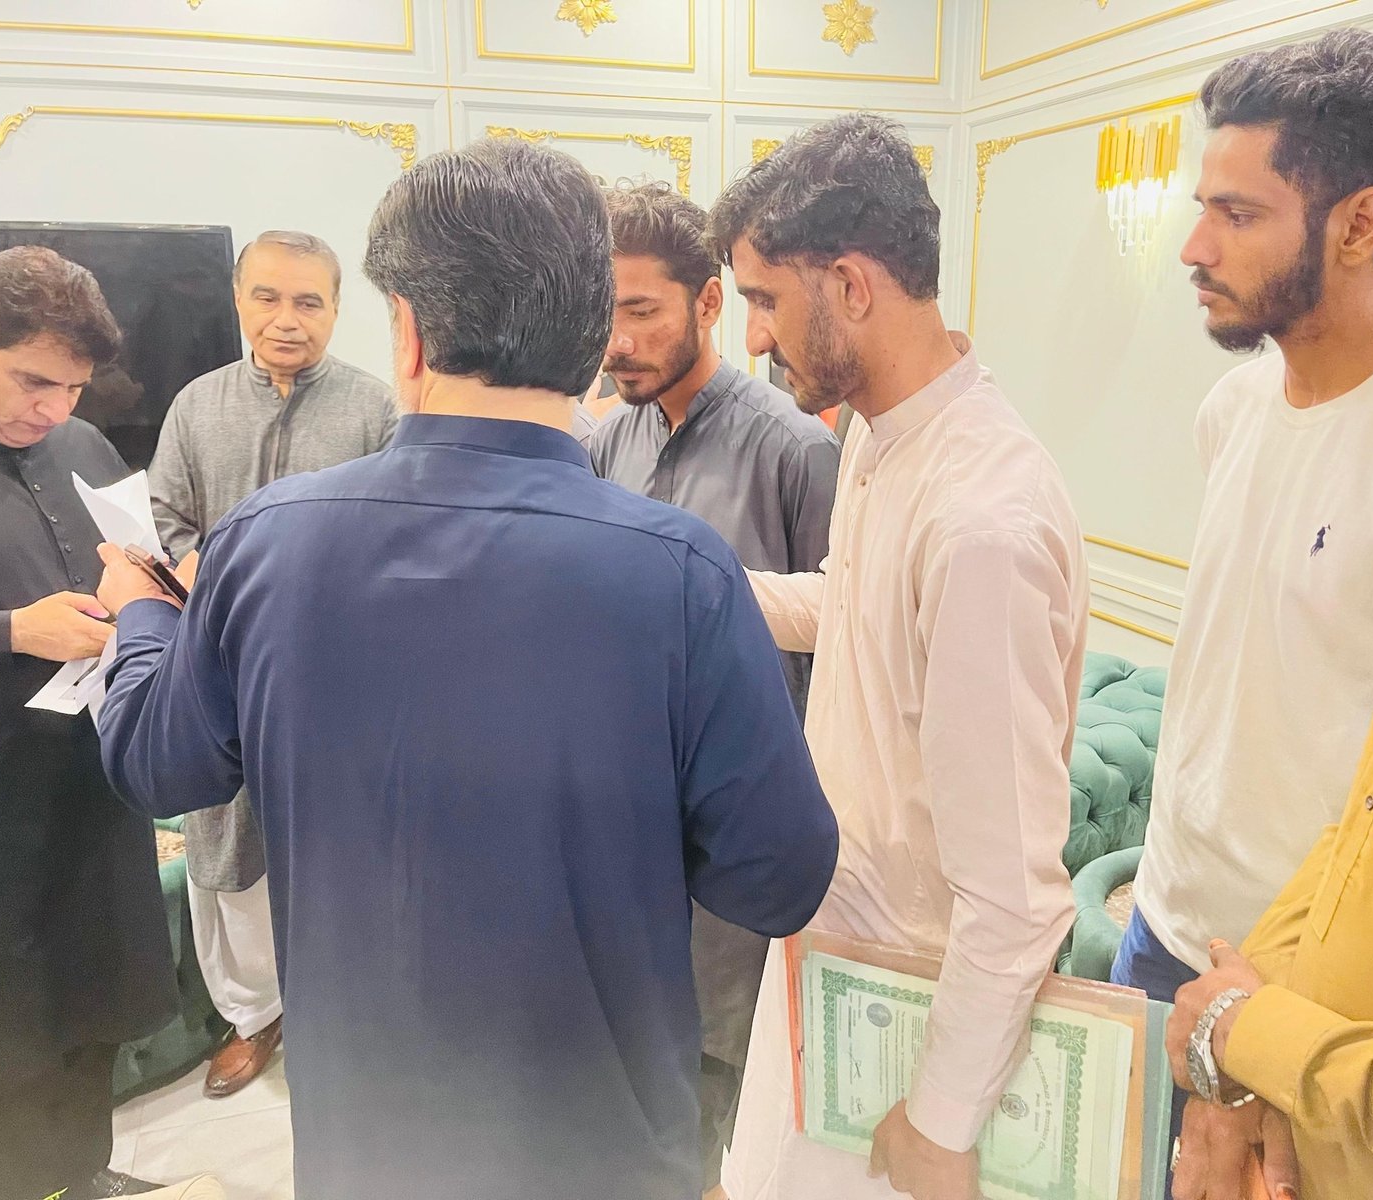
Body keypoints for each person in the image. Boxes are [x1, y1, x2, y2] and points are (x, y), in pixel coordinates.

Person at [93, 136, 840, 1200]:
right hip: (605, 1141)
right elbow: (779, 874)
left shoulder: (264, 544)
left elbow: (156, 765)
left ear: (405, 330)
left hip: (369, 1138)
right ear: (588, 332)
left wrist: (138, 615)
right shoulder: (681, 570)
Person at [1114, 29, 1373, 1184]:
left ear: (1359, 223)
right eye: (1201, 208)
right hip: (1161, 924)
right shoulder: (1229, 411)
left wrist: (1264, 1033)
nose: (1193, 247)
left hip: (1301, 1000)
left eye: (1236, 213)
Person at [712, 113, 1089, 1200]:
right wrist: (691, 588)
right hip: (835, 953)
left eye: (764, 301)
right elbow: (855, 607)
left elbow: (1015, 896)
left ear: (850, 285)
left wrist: (938, 1119)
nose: (753, 339)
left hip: (914, 1025)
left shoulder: (982, 523)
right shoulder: (880, 431)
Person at [0, 247, 215, 1200]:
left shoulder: (83, 448)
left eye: (74, 388)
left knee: (92, 1009)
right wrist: (8, 631)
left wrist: (161, 593)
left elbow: (124, 564)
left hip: (87, 785)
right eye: (34, 381)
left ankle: (81, 1176)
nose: (54, 409)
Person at [589, 180, 840, 1193]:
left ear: (707, 303)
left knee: (720, 1077)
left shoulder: (796, 449)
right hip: (622, 822)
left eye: (641, 312)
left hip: (739, 837)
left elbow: (841, 646)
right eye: (603, 314)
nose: (617, 343)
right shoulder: (607, 440)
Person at [147, 229, 396, 1099]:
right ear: (239, 299)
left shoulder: (375, 410)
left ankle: (341, 1005)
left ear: (336, 309)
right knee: (227, 845)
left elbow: (395, 530)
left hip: (335, 673)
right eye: (268, 297)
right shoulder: (196, 405)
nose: (287, 319)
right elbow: (167, 516)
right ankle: (252, 1016)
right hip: (218, 664)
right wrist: (199, 577)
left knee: (336, 842)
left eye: (308, 302)